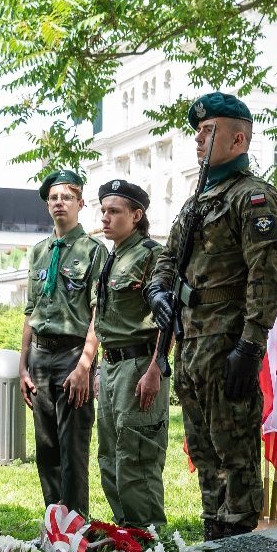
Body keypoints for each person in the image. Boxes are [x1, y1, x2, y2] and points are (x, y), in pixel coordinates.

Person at [149, 92, 277, 539]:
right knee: (204, 452)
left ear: (238, 138)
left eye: (208, 132)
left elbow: (267, 277)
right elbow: (168, 257)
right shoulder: (197, 202)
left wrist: (251, 345)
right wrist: (157, 289)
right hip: (192, 344)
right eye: (197, 131)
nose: (198, 140)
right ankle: (214, 534)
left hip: (228, 343)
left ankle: (240, 547)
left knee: (235, 452)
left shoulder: (253, 199)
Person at [19, 169, 109, 516]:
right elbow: (31, 311)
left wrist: (85, 366)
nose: (60, 203)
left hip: (73, 357)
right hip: (40, 358)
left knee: (73, 452)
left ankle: (75, 533)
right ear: (47, 204)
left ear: (80, 203)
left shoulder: (93, 251)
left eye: (67, 197)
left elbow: (98, 315)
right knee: (47, 451)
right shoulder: (39, 252)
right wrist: (22, 365)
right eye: (54, 198)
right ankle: (53, 526)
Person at [91, 179, 169, 529]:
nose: (105, 218)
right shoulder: (113, 257)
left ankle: (152, 543)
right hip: (111, 368)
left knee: (137, 458)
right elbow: (103, 319)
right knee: (109, 458)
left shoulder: (153, 255)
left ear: (137, 215)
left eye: (114, 211)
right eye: (103, 211)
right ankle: (126, 539)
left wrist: (156, 367)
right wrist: (97, 368)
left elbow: (169, 319)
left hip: (140, 366)